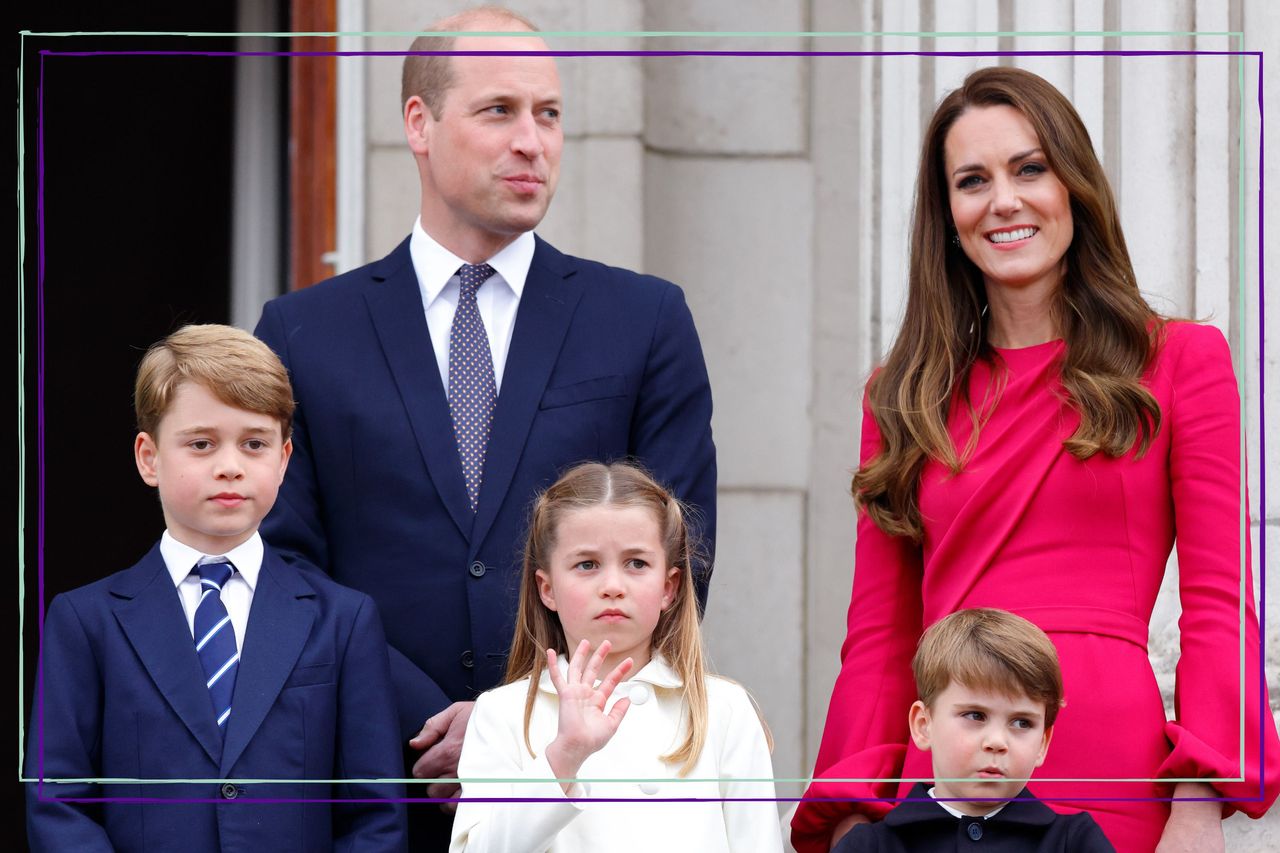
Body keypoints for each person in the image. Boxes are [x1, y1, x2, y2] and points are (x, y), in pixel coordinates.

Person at [792, 66, 1280, 853]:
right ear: (948, 216)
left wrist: (1199, 797)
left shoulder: (1181, 360)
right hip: (948, 782)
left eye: (1029, 169)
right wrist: (852, 808)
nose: (1004, 201)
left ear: (1074, 187)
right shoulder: (902, 397)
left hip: (1112, 775)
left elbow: (1220, 602)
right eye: (972, 180)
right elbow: (881, 633)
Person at [253, 5, 716, 821]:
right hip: (374, 785)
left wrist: (513, 724)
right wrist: (416, 718)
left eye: (549, 114)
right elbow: (282, 567)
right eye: (499, 110)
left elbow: (677, 554)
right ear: (419, 123)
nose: (532, 141)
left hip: (590, 789)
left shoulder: (644, 320)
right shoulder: (304, 333)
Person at [25, 324, 406, 852]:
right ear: (149, 457)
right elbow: (58, 801)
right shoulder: (85, 620)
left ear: (284, 459)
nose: (230, 467)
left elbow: (375, 815)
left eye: (254, 444)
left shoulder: (343, 619)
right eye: (201, 443)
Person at [448, 462, 779, 852]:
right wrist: (564, 757)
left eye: (636, 563)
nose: (612, 586)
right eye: (586, 565)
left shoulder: (723, 710)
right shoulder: (501, 713)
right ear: (547, 588)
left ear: (669, 587)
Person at [834, 608, 1114, 852]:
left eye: (1021, 723)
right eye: (975, 715)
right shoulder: (870, 845)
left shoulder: (1075, 841)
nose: (996, 741)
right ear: (923, 725)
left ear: (1043, 743)